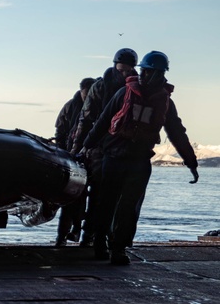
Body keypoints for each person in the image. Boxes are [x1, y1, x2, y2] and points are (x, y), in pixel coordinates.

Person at [81, 51, 198, 265]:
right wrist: (85, 147)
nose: (143, 75)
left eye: (148, 71)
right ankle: (100, 242)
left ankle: (118, 248)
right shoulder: (124, 93)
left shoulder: (164, 102)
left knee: (129, 206)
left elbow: (177, 133)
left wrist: (191, 161)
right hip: (113, 156)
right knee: (105, 202)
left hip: (139, 160)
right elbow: (103, 121)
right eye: (142, 71)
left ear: (159, 74)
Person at [70, 48, 138, 257]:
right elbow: (87, 118)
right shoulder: (101, 87)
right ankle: (91, 235)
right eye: (122, 69)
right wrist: (78, 148)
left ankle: (110, 238)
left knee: (119, 198)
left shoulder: (134, 89)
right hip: (99, 146)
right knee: (100, 194)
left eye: (129, 70)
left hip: (121, 147)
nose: (125, 74)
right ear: (115, 66)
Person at [53, 77, 96, 246]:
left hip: (90, 157)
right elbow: (60, 130)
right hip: (72, 156)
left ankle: (79, 232)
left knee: (83, 198)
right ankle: (64, 235)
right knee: (71, 198)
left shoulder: (96, 105)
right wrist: (64, 152)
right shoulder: (71, 106)